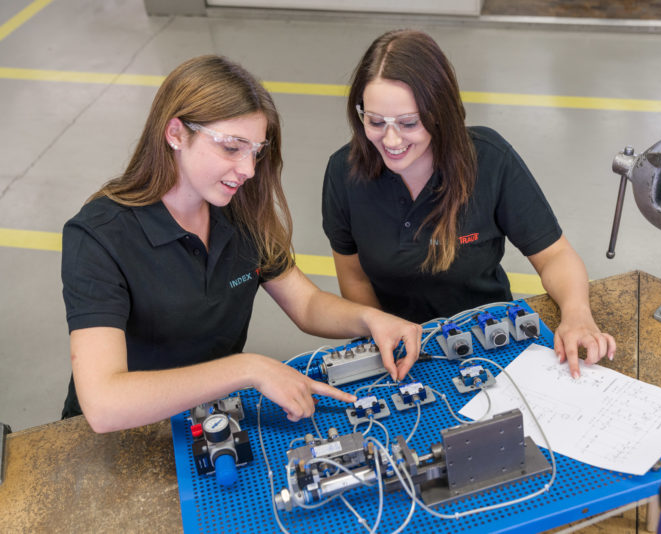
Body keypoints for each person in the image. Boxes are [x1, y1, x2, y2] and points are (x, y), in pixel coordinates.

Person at [61, 55, 421, 433]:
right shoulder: (99, 237)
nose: (249, 170)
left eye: (256, 150)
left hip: (209, 417)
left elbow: (306, 303)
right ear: (175, 134)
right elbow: (103, 405)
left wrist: (370, 318)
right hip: (127, 434)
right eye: (232, 148)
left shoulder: (239, 209)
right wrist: (247, 368)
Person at [322, 30, 615, 378]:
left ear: (439, 113)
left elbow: (554, 255)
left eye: (408, 123)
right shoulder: (344, 173)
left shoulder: (489, 160)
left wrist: (577, 313)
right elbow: (353, 277)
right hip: (400, 352)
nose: (391, 139)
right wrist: (381, 337)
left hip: (489, 339)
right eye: (374, 122)